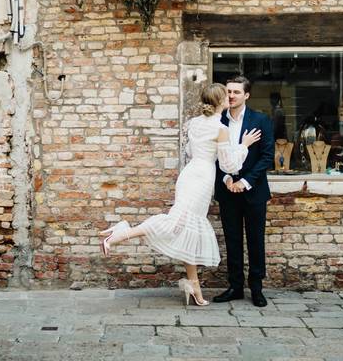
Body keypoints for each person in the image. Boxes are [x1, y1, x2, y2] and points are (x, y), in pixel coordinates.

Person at [99, 83, 261, 306]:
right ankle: (121, 233)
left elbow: (189, 151)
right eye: (226, 96)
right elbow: (229, 164)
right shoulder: (220, 128)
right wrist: (243, 145)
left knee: (187, 231)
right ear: (219, 102)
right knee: (176, 224)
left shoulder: (193, 123)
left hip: (190, 174)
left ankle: (194, 287)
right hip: (202, 177)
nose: (229, 98)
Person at [214, 75, 275, 307]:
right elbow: (214, 156)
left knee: (255, 240)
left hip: (254, 191)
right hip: (227, 189)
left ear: (246, 95)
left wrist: (245, 181)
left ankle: (257, 288)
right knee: (232, 240)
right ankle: (235, 286)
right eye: (228, 91)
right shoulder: (218, 120)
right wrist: (228, 179)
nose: (231, 95)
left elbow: (267, 156)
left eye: (236, 92)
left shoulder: (260, 120)